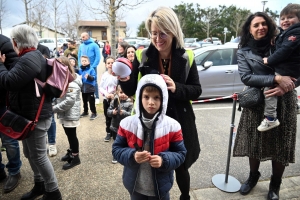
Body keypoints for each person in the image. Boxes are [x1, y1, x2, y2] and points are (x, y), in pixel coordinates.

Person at [118, 7, 202, 200]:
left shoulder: (187, 56)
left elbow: (196, 90)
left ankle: (184, 196)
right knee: (150, 163)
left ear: (173, 31)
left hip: (180, 119)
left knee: (180, 164)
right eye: (154, 33)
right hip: (150, 120)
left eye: (162, 33)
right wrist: (124, 78)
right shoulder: (144, 55)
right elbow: (133, 90)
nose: (157, 39)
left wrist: (177, 87)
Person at [232, 12, 297, 200]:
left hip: (285, 101)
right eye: (255, 25)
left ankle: (275, 184)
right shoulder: (243, 51)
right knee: (254, 143)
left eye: (263, 23)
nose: (261, 27)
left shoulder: (282, 42)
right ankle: (253, 177)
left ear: (269, 25)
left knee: (282, 144)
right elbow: (246, 77)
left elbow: (298, 68)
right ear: (249, 30)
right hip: (258, 101)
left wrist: (287, 86)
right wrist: (274, 79)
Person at [0, 24, 62, 200]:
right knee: (30, 153)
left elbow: (9, 82)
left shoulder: (30, 58)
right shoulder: (28, 57)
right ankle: (40, 185)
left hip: (36, 116)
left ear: (15, 42)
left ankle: (53, 191)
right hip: (28, 115)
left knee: (39, 156)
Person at [112, 74, 187, 200]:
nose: (151, 102)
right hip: (135, 186)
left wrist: (164, 160)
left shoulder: (173, 126)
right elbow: (116, 149)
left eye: (156, 97)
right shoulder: (126, 124)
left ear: (163, 99)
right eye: (146, 97)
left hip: (160, 188)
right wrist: (132, 155)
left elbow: (181, 153)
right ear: (139, 97)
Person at [258, 3, 300, 132]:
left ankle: (270, 118)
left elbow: (285, 50)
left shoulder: (294, 34)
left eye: (290, 17)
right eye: (282, 18)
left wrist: (269, 60)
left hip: (287, 71)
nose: (285, 20)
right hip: (285, 72)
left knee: (269, 87)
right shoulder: (281, 36)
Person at [0, 34, 22, 194]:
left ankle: (14, 171)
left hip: (3, 102)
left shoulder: (4, 42)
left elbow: (13, 76)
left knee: (9, 140)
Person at [53, 56, 82, 170]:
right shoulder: (63, 78)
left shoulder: (72, 82)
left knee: (72, 135)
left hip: (70, 113)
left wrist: (53, 108)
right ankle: (71, 151)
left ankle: (76, 157)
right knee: (68, 134)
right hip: (65, 113)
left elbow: (69, 101)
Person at [36, 44, 58, 157]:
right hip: (35, 94)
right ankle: (42, 145)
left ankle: (52, 143)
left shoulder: (43, 48)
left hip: (47, 92)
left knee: (50, 119)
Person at [107, 84, 133, 163]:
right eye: (121, 92)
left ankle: (125, 154)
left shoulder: (130, 103)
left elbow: (131, 115)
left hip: (126, 128)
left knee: (126, 142)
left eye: (125, 92)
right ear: (117, 92)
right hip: (115, 126)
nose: (123, 94)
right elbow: (108, 112)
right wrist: (112, 112)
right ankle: (116, 155)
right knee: (116, 142)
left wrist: (124, 113)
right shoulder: (114, 101)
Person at [78, 32, 101, 104]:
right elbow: (79, 56)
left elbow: (98, 57)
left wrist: (93, 66)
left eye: (84, 37)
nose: (82, 38)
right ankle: (86, 96)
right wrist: (80, 65)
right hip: (83, 67)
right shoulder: (81, 46)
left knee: (94, 81)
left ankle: (96, 96)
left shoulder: (94, 45)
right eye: (81, 37)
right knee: (84, 80)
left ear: (88, 37)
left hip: (92, 66)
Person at [99, 56, 118, 141]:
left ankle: (116, 132)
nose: (110, 65)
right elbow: (101, 87)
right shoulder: (104, 75)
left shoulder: (117, 75)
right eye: (108, 63)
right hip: (106, 99)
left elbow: (119, 87)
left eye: (112, 63)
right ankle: (108, 132)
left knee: (116, 116)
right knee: (107, 116)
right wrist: (106, 94)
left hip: (116, 99)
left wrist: (115, 94)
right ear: (106, 65)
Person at [78, 55, 98, 120]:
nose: (84, 62)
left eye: (85, 61)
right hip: (83, 89)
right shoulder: (80, 70)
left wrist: (89, 77)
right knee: (84, 101)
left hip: (90, 88)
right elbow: (77, 75)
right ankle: (85, 111)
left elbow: (94, 78)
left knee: (91, 101)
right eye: (82, 61)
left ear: (89, 62)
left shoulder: (91, 69)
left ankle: (94, 112)